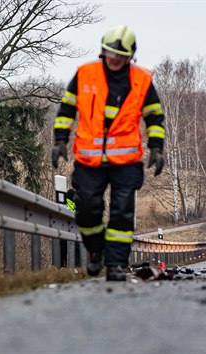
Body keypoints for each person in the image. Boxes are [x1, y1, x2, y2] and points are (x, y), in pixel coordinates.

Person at [51, 25, 165, 281]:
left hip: (126, 161)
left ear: (129, 56)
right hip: (89, 159)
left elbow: (154, 117)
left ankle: (115, 265)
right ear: (103, 52)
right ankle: (96, 250)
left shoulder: (141, 80)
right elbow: (67, 109)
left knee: (122, 212)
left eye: (119, 55)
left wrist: (157, 148)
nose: (113, 59)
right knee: (87, 208)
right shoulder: (85, 74)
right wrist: (60, 141)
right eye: (109, 53)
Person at [60, 188, 81, 268]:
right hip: (72, 230)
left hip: (64, 231)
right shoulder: (73, 201)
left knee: (63, 250)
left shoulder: (64, 203)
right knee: (76, 249)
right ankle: (76, 268)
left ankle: (61, 267)